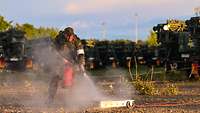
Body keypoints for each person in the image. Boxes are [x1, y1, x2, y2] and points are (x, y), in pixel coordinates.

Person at [48, 27, 85, 103]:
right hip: (59, 61)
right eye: (68, 36)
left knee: (74, 80)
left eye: (71, 36)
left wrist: (80, 64)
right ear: (65, 35)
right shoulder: (58, 39)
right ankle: (50, 99)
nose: (70, 38)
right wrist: (61, 59)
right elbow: (53, 51)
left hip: (72, 62)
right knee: (55, 79)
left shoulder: (76, 40)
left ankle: (72, 100)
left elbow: (80, 53)